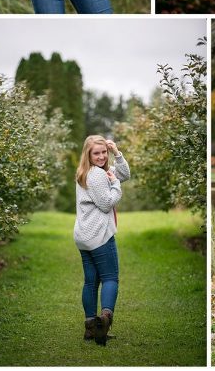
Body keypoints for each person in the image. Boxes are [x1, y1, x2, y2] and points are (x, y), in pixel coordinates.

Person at [73, 135, 130, 346]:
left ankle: (91, 328)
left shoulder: (86, 172)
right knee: (110, 278)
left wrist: (117, 153)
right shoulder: (97, 175)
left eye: (103, 152)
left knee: (91, 281)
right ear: (88, 154)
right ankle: (104, 321)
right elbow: (106, 204)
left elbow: (124, 173)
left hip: (84, 236)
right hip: (98, 235)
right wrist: (116, 186)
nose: (101, 156)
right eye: (96, 153)